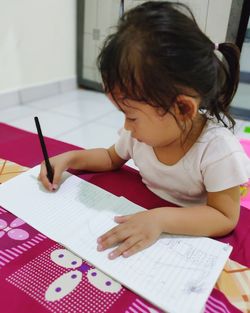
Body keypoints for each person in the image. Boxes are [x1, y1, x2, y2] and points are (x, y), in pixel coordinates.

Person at [39, 1, 250, 260]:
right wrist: (70, 158)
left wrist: (160, 219)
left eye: (132, 116)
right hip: (144, 210)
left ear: (183, 109)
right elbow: (109, 158)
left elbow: (224, 217)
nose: (126, 127)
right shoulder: (138, 136)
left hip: (186, 236)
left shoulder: (217, 150)